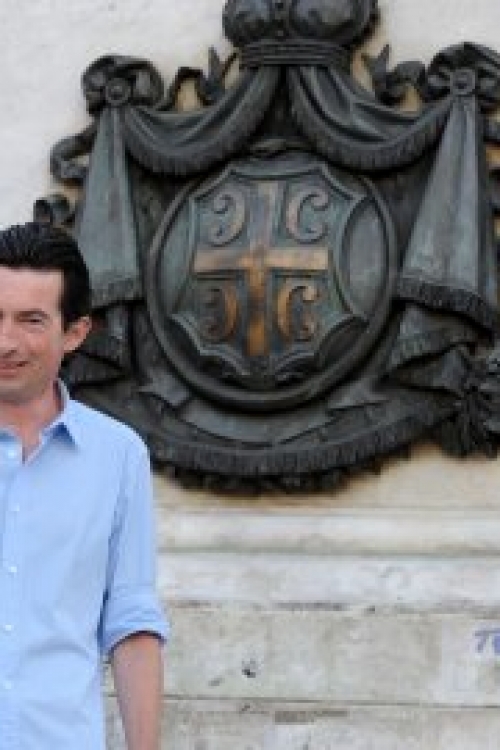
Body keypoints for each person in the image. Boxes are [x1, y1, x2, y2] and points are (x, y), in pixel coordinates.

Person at [0, 222, 169, 749]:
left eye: (30, 321)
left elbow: (131, 621)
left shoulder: (118, 457)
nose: (5, 342)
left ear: (74, 333)